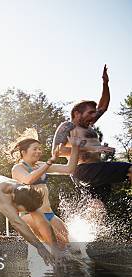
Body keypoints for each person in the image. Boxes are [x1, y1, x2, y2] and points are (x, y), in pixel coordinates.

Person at [51, 65, 131, 200]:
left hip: (96, 172)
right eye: (90, 113)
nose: (94, 116)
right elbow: (56, 152)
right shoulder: (68, 126)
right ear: (77, 113)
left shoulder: (88, 124)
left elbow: (103, 107)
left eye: (94, 113)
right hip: (84, 170)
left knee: (97, 210)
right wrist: (91, 149)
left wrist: (105, 84)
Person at [10, 129, 82, 244]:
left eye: (40, 149)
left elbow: (69, 169)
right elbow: (29, 180)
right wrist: (50, 162)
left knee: (68, 245)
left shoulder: (42, 165)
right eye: (35, 149)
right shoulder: (18, 168)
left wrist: (75, 147)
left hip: (49, 214)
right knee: (53, 245)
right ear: (23, 152)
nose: (38, 152)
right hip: (30, 215)